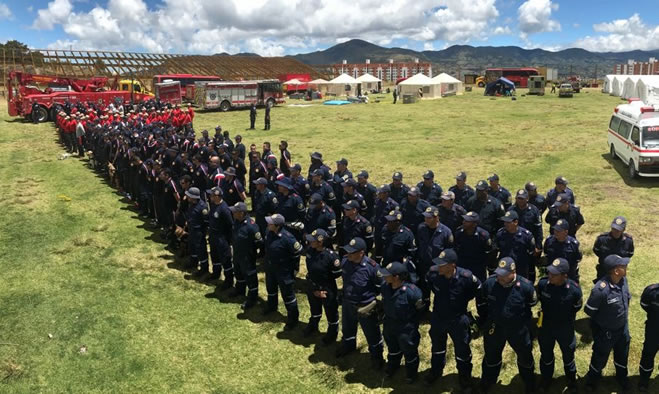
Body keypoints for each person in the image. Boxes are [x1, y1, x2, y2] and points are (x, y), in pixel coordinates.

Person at [477, 257, 537, 393]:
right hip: (495, 327)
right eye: (498, 274)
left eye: (503, 275)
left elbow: (531, 305)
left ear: (513, 272)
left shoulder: (526, 287)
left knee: (525, 357)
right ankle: (488, 380)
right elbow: (482, 302)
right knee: (491, 356)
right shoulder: (490, 284)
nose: (499, 277)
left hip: (518, 329)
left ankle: (529, 382)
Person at [425, 249, 481, 390]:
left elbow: (477, 289)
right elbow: (431, 286)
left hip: (458, 319)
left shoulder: (466, 277)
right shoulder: (433, 273)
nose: (439, 267)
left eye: (442, 265)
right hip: (438, 318)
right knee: (437, 347)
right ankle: (436, 371)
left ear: (452, 265)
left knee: (462, 350)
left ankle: (464, 376)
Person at [584, 254, 631, 392]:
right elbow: (590, 310)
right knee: (599, 357)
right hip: (606, 332)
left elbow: (626, 299)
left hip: (622, 329)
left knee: (622, 355)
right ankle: (592, 379)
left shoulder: (623, 280)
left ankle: (622, 377)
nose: (626, 266)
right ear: (616, 270)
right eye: (623, 265)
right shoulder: (600, 290)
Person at [336, 238, 385, 370]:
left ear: (361, 253)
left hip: (365, 306)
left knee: (372, 334)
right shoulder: (345, 261)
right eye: (348, 251)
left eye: (352, 252)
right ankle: (349, 346)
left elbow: (383, 287)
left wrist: (378, 304)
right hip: (348, 303)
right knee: (347, 328)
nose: (348, 254)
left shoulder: (372, 268)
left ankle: (377, 356)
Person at [536, 258, 582, 393]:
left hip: (565, 327)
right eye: (549, 272)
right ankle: (546, 378)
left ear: (564, 276)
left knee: (568, 355)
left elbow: (576, 307)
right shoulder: (543, 284)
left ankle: (571, 379)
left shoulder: (574, 290)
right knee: (546, 355)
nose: (550, 276)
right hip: (546, 326)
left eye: (554, 274)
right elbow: (539, 299)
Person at [380, 262, 423, 383]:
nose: (384, 276)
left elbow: (419, 310)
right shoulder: (385, 287)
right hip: (389, 324)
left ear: (396, 277)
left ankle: (411, 373)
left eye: (387, 275)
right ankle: (393, 365)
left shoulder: (412, 292)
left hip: (406, 327)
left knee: (409, 350)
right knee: (392, 348)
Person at [263, 214, 303, 330]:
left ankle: (293, 318)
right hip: (271, 268)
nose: (268, 224)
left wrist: (294, 269)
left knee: (288, 295)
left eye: (270, 223)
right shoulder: (268, 232)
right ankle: (272, 306)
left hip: (283, 271)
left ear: (277, 226)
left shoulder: (288, 238)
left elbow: (298, 252)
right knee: (271, 289)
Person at [303, 229, 341, 343]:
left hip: (327, 288)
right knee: (314, 308)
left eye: (312, 240)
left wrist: (323, 289)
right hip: (312, 285)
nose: (310, 242)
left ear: (320, 242)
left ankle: (332, 333)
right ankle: (313, 324)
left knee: (331, 311)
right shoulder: (310, 250)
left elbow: (336, 274)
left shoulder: (331, 257)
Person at [416, 206, 453, 308]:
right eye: (425, 217)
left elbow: (449, 251)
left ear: (436, 218)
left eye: (429, 217)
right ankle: (425, 309)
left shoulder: (446, 232)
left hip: (439, 267)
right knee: (424, 289)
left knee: (440, 290)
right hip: (423, 265)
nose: (426, 219)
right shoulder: (421, 228)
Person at [229, 202, 262, 310]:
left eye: (235, 211)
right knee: (238, 272)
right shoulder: (237, 222)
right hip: (237, 254)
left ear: (241, 213)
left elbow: (259, 242)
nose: (233, 213)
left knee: (250, 276)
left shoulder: (251, 226)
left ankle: (252, 297)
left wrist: (253, 253)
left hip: (247, 256)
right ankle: (240, 290)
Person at [204, 187, 234, 287]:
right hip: (213, 235)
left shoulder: (224, 209)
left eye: (211, 195)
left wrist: (228, 241)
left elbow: (230, 225)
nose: (209, 197)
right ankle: (216, 273)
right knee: (214, 255)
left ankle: (228, 280)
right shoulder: (213, 205)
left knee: (225, 259)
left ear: (217, 196)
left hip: (222, 237)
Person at [493, 211, 535, 280]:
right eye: (505, 222)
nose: (505, 224)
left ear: (516, 222)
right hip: (504, 268)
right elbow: (496, 249)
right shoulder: (500, 234)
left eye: (508, 222)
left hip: (520, 268)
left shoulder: (526, 236)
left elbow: (531, 252)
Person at [592, 216, 634, 283]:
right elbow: (596, 250)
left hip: (619, 273)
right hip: (604, 271)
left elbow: (630, 254)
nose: (615, 232)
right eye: (614, 229)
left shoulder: (628, 241)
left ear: (623, 230)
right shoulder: (602, 239)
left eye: (618, 230)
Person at [454, 211, 493, 282]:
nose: (464, 222)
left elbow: (488, 252)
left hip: (478, 267)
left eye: (467, 221)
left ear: (474, 224)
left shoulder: (483, 236)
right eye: (464, 220)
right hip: (462, 265)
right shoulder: (459, 232)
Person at [184, 187, 209, 274]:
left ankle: (204, 268)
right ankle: (193, 262)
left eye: (189, 196)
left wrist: (202, 232)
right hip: (191, 230)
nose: (187, 197)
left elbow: (206, 222)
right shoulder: (191, 204)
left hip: (199, 232)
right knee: (192, 247)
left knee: (201, 250)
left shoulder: (203, 207)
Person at [639, 283, 658, 392]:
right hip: (654, 331)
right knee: (648, 354)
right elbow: (644, 304)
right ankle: (644, 379)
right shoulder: (652, 291)